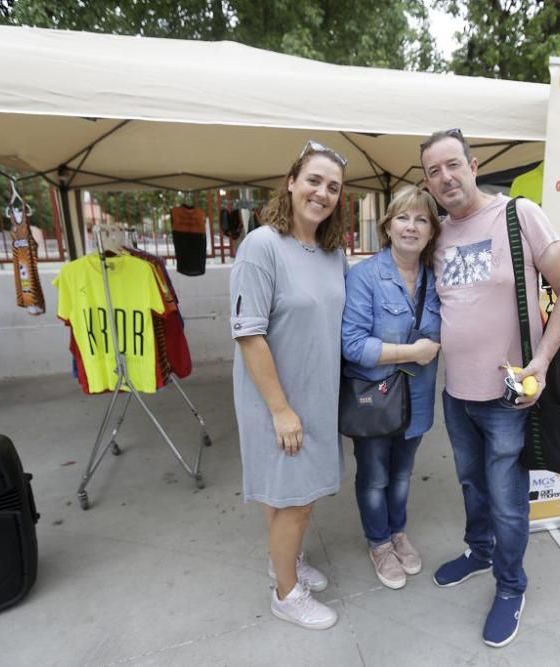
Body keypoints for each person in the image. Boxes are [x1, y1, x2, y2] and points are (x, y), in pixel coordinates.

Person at [419, 129, 560, 647]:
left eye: (452, 165)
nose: (445, 177)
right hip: (457, 395)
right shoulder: (437, 235)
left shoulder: (520, 215)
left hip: (511, 397)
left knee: (509, 501)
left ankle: (511, 586)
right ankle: (480, 551)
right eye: (432, 171)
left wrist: (540, 360)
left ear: (472, 163)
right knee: (470, 484)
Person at [229, 140, 349, 630]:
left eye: (334, 187)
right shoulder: (261, 246)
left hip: (318, 393)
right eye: (314, 181)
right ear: (292, 182)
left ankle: (286, 560)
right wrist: (281, 409)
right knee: (295, 499)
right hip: (276, 398)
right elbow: (248, 333)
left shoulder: (331, 252)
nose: (322, 192)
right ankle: (286, 593)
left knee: (288, 496)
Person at [341, 186, 442, 590]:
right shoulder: (365, 276)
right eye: (403, 218)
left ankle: (397, 531)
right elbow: (351, 344)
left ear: (432, 231)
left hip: (416, 400)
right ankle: (379, 542)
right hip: (375, 401)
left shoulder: (437, 280)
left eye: (421, 219)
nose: (411, 227)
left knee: (402, 474)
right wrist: (410, 352)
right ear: (387, 226)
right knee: (375, 476)